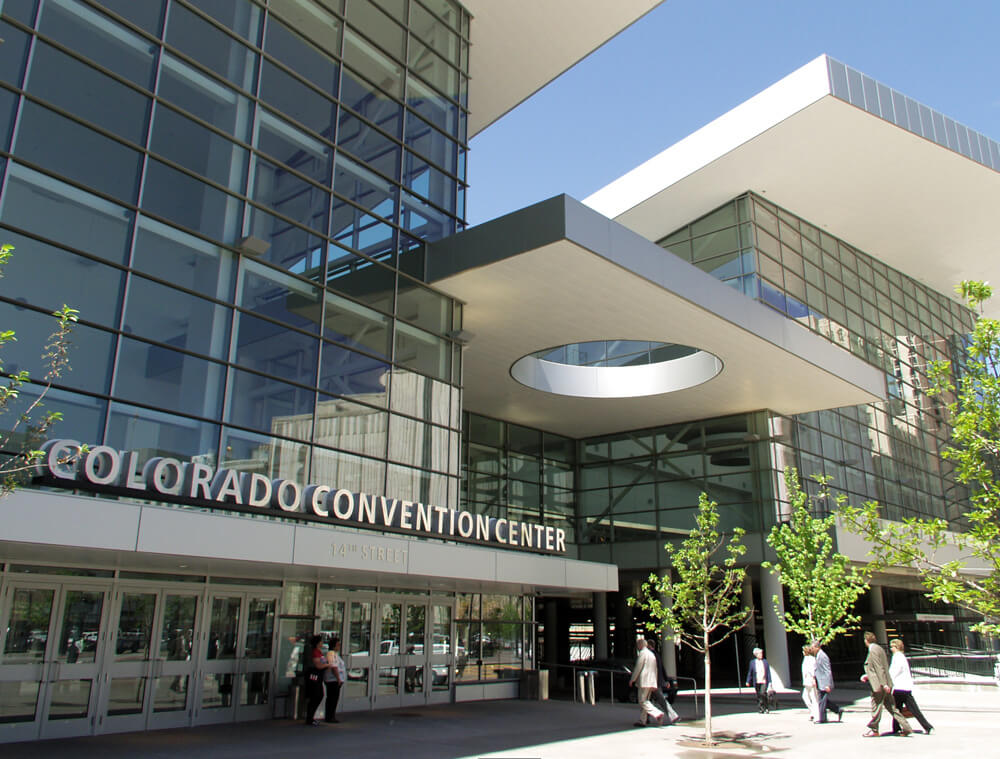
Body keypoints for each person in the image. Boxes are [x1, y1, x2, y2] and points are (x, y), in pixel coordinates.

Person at [860, 631, 912, 737]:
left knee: (876, 707)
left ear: (866, 640)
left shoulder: (873, 650)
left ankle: (874, 729)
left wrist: (883, 684)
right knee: (892, 708)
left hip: (879, 685)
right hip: (885, 683)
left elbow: (879, 667)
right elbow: (878, 667)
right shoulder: (880, 649)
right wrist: (868, 676)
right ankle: (906, 727)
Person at [888, 639, 933, 735]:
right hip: (904, 687)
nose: (890, 648)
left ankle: (927, 727)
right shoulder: (902, 657)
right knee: (900, 709)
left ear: (896, 647)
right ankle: (896, 728)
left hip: (900, 687)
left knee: (900, 709)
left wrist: (888, 682)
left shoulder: (897, 657)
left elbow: (894, 671)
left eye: (892, 647)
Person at [628, 638, 664, 727]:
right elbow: (655, 669)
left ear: (640, 645)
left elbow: (638, 667)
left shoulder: (642, 654)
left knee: (642, 701)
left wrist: (632, 679)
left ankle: (657, 713)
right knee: (646, 700)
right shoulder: (652, 654)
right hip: (651, 681)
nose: (637, 647)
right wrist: (654, 683)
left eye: (637, 645)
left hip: (644, 681)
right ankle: (642, 720)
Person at [812, 640, 843, 723]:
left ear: (817, 647)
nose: (812, 649)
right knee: (823, 700)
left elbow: (827, 671)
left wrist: (827, 684)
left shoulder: (823, 656)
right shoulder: (818, 655)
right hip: (820, 682)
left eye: (813, 647)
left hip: (824, 682)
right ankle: (837, 709)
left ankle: (822, 718)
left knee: (822, 700)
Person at [649, 643, 680, 724]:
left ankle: (673, 716)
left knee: (654, 700)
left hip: (653, 682)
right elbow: (662, 668)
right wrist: (665, 680)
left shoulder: (651, 656)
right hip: (656, 681)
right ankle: (645, 718)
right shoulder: (657, 655)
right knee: (647, 700)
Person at [303, 634, 329, 726]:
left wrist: (326, 664)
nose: (322, 643)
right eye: (321, 641)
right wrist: (327, 665)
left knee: (318, 695)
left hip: (319, 677)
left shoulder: (319, 652)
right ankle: (309, 718)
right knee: (316, 696)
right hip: (315, 677)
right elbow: (319, 665)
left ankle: (310, 717)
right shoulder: (315, 652)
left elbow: (324, 662)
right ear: (317, 643)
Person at [324, 636, 346, 723]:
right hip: (333, 680)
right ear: (333, 646)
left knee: (333, 698)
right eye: (338, 645)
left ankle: (331, 715)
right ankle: (330, 716)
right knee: (332, 698)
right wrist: (338, 679)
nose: (339, 646)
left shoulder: (334, 654)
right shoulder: (331, 654)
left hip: (334, 680)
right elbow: (334, 667)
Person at [745, 647, 773, 713]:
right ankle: (761, 708)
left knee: (763, 693)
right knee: (758, 695)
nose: (761, 655)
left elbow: (768, 672)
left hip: (764, 681)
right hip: (757, 681)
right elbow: (750, 672)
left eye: (761, 653)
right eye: (760, 653)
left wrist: (770, 682)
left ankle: (766, 707)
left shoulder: (765, 662)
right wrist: (748, 681)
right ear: (756, 654)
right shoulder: (752, 662)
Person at [801, 643, 820, 722]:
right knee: (805, 697)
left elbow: (812, 670)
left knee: (814, 698)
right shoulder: (806, 659)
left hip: (810, 681)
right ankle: (812, 712)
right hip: (806, 682)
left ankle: (817, 716)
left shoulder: (811, 659)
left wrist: (813, 679)